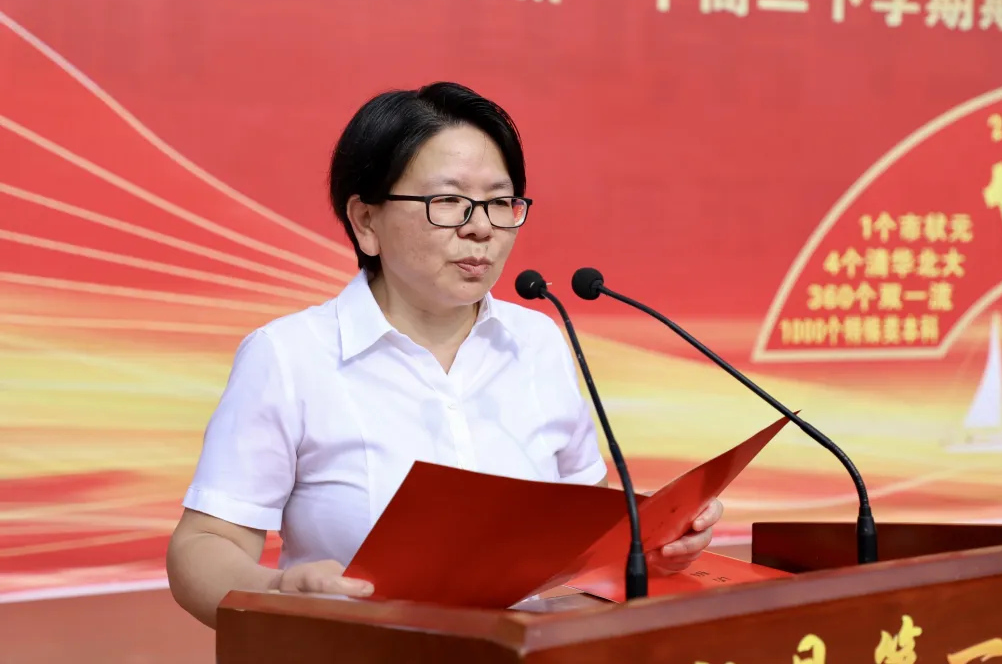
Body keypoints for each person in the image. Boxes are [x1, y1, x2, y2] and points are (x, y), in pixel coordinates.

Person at [165, 82, 723, 628]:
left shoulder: (537, 341)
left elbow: (587, 522)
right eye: (448, 201)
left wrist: (652, 541)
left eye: (500, 202)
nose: (481, 228)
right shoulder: (290, 356)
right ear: (366, 221)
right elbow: (203, 547)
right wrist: (278, 594)